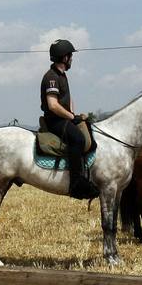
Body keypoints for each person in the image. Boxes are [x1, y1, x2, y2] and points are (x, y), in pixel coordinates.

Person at [41, 38, 97, 199]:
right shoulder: (51, 77)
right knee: (78, 139)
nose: (72, 59)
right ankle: (76, 184)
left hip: (64, 118)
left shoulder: (61, 75)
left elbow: (67, 100)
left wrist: (76, 115)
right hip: (55, 120)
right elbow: (53, 105)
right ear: (64, 57)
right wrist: (72, 117)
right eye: (70, 56)